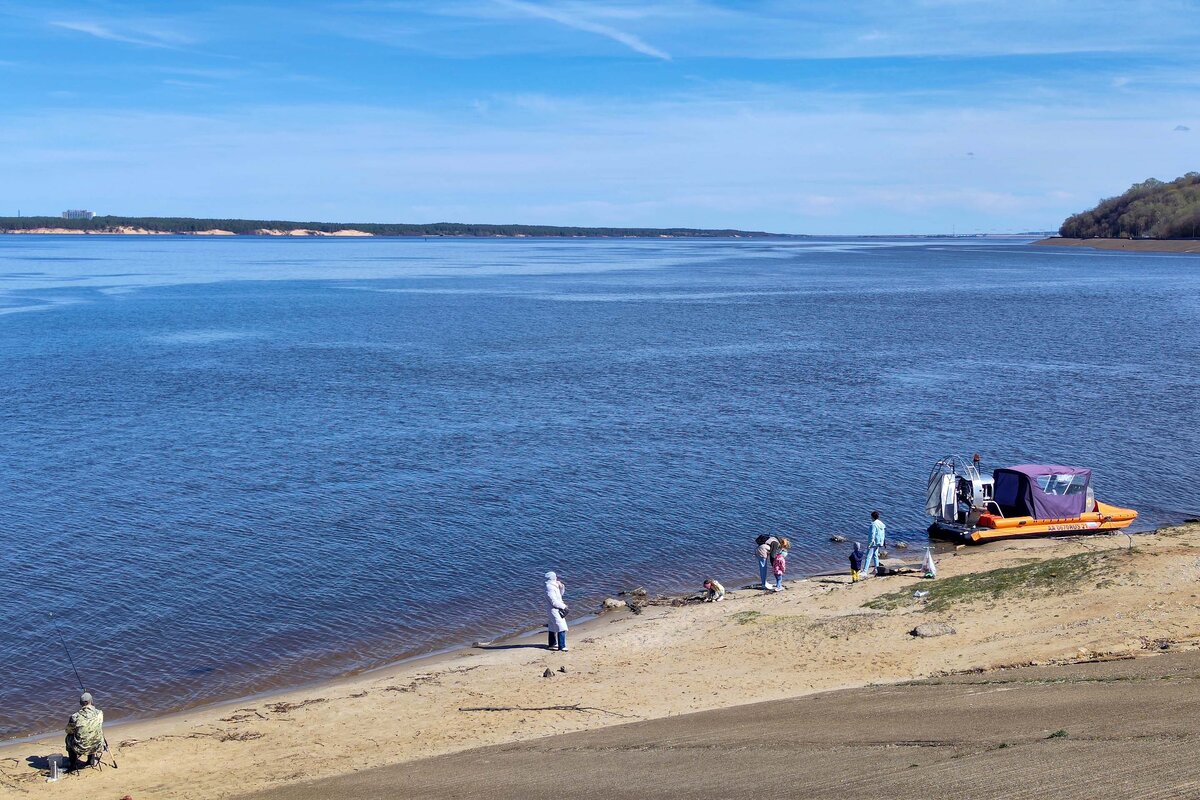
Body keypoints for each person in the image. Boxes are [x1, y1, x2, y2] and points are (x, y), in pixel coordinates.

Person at [65, 692, 104, 771]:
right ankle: (91, 760)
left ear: (80, 703)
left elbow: (68, 731)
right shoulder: (100, 713)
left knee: (68, 738)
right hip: (97, 745)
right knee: (92, 734)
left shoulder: (75, 717)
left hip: (81, 748)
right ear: (91, 701)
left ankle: (73, 764)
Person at [544, 571, 569, 652]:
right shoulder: (550, 587)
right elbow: (554, 602)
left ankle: (552, 644)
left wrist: (561, 587)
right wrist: (564, 607)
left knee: (552, 626)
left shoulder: (553, 585)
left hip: (555, 609)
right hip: (554, 610)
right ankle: (562, 646)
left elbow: (559, 596)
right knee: (561, 626)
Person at [863, 511, 886, 577]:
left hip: (873, 542)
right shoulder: (881, 523)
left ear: (872, 517)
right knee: (875, 555)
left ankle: (865, 571)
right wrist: (882, 542)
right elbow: (883, 533)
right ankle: (877, 569)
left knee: (868, 556)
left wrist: (870, 544)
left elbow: (872, 535)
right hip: (879, 542)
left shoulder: (873, 524)